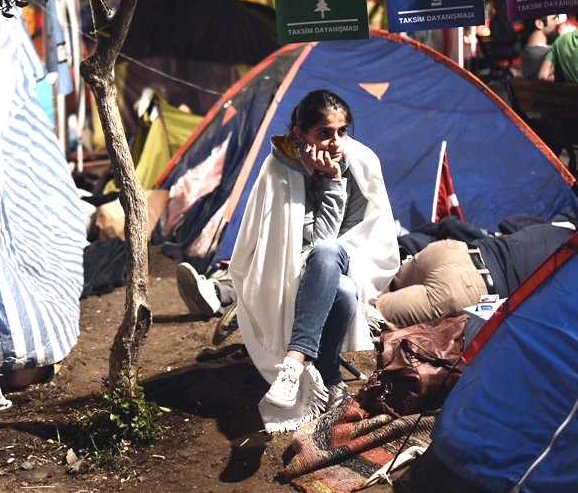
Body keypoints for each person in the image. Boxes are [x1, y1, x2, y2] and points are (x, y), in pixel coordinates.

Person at [227, 90, 399, 422]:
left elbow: (338, 239)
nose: (336, 142)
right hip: (293, 267)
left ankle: (293, 363)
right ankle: (328, 372)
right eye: (324, 133)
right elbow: (306, 242)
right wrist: (325, 184)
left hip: (346, 256)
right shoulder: (280, 169)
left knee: (330, 255)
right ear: (299, 134)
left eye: (342, 131)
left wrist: (333, 181)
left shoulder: (359, 163)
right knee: (345, 292)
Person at [374, 216, 575, 328]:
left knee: (369, 291)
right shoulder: (571, 270)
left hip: (452, 251)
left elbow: (507, 225)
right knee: (369, 317)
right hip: (467, 287)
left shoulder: (562, 224)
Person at [519, 14, 562, 79]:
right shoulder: (548, 53)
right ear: (539, 24)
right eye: (554, 18)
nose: (558, 23)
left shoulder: (525, 52)